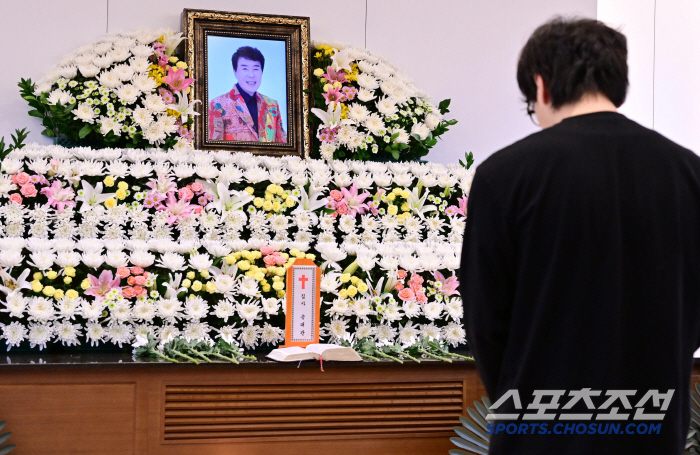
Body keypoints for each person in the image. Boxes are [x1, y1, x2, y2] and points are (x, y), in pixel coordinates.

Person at [460, 17, 700, 454]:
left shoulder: (504, 175)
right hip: (653, 428)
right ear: (617, 84)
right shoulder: (689, 173)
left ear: (541, 86)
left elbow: (485, 320)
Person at [208, 46, 287, 143]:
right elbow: (213, 149)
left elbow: (283, 145)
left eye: (256, 69)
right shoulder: (218, 105)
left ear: (262, 72)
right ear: (235, 72)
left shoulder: (272, 105)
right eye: (245, 69)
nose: (251, 74)